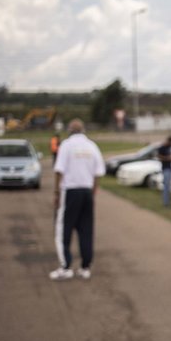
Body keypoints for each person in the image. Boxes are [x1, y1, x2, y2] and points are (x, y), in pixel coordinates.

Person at [50, 119, 105, 281]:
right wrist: (93, 193)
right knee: (86, 229)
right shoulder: (92, 146)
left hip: (71, 191)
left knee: (63, 229)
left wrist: (56, 193)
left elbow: (59, 171)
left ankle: (65, 266)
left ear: (69, 130)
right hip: (87, 192)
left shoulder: (66, 145)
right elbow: (98, 173)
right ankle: (85, 267)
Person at [157, 135, 171, 207]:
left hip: (170, 168)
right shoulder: (162, 148)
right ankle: (166, 203)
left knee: (168, 186)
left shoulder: (170, 147)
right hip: (165, 169)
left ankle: (168, 202)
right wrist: (168, 158)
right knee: (166, 186)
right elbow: (159, 157)